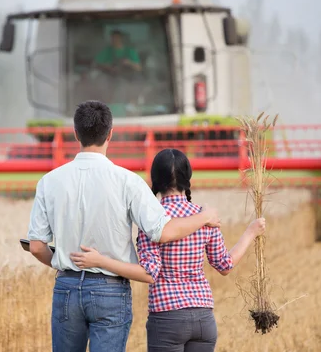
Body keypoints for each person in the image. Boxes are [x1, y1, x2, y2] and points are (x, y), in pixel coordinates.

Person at [26, 101, 221, 352]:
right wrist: (204, 217)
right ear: (110, 134)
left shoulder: (48, 182)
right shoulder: (128, 181)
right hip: (110, 291)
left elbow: (36, 247)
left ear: (75, 134)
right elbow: (163, 232)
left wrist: (65, 261)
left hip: (67, 289)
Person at [70, 148, 266, 352]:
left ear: (154, 179)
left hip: (167, 318)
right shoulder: (204, 216)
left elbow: (149, 273)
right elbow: (225, 265)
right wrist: (251, 232)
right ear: (187, 177)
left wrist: (100, 261)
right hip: (203, 318)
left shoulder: (152, 219)